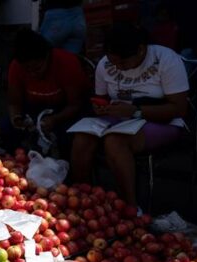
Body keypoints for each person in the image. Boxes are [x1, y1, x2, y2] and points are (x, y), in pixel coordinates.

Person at [69, 23, 189, 207]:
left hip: (162, 121)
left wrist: (136, 111)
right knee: (82, 137)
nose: (117, 67)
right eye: (113, 62)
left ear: (141, 50)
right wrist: (100, 108)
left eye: (123, 63)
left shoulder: (165, 59)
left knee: (115, 141)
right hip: (120, 118)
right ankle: (83, 200)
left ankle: (129, 208)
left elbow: (179, 109)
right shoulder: (105, 64)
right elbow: (101, 98)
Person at [3, 29, 88, 156]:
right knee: (7, 128)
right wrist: (16, 117)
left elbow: (76, 104)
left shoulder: (66, 63)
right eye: (27, 70)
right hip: (33, 109)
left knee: (67, 138)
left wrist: (55, 119)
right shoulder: (16, 67)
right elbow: (14, 103)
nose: (32, 74)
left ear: (47, 56)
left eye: (37, 68)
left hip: (65, 110)